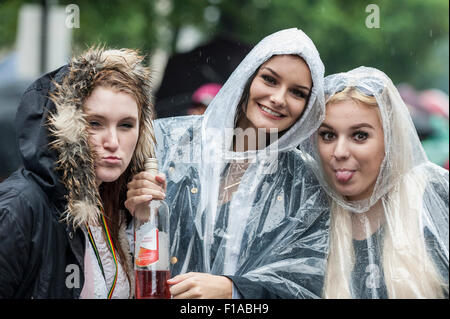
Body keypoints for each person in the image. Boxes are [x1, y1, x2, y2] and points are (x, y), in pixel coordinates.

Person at [126, 28, 330, 298]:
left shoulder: (305, 184)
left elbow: (305, 284)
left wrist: (234, 291)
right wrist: (136, 216)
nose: (279, 99)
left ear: (308, 106)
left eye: (298, 93)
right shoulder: (168, 143)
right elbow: (125, 256)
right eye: (269, 80)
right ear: (247, 77)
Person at [0, 47, 156, 298]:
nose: (113, 142)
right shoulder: (19, 206)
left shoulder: (117, 206)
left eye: (126, 125)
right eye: (95, 123)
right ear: (67, 127)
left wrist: (143, 224)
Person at [301, 67, 449, 298]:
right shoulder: (307, 218)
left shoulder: (433, 199)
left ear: (390, 139)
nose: (339, 152)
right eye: (328, 135)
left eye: (359, 135)